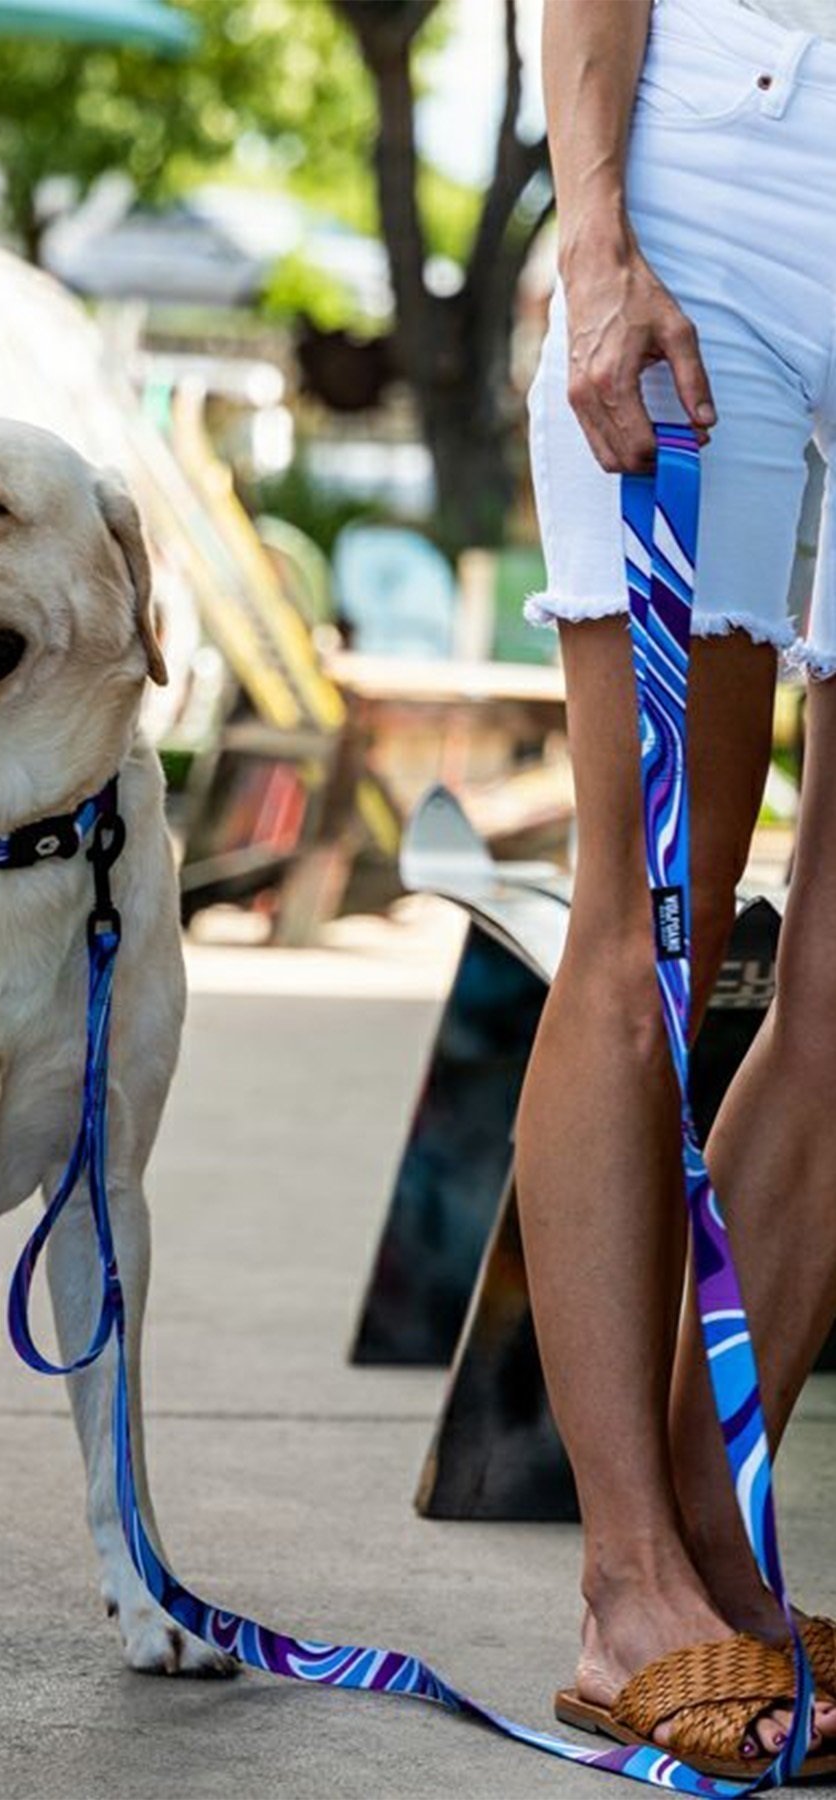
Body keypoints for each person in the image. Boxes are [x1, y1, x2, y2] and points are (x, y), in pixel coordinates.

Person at [517, 0, 836, 1773]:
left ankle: (721, 1551)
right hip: (716, 166)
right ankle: (627, 1582)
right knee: (650, 932)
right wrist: (594, 232)